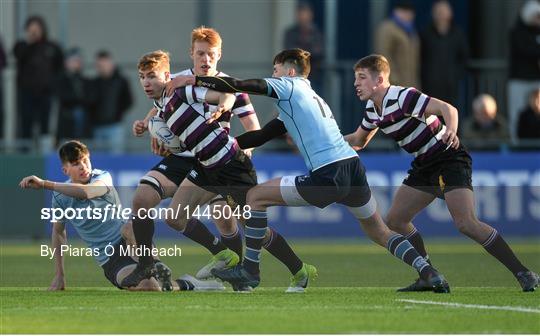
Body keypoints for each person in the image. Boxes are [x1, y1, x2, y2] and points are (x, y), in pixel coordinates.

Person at [172, 48, 450, 293]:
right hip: (352, 168)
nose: (273, 75)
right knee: (379, 231)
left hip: (328, 173)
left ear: (290, 71)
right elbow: (260, 137)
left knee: (256, 197)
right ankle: (429, 271)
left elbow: (240, 85)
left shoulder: (289, 86)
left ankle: (250, 271)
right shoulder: (306, 97)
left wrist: (194, 79)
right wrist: (222, 145)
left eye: (276, 70)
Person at [122, 50, 315, 293]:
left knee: (254, 229)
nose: (146, 82)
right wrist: (149, 127)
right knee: (174, 217)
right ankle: (213, 257)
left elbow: (224, 94)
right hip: (205, 166)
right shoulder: (159, 104)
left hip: (230, 164)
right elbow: (169, 128)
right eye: (142, 77)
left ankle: (300, 270)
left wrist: (222, 105)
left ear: (167, 76)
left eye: (151, 76)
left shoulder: (182, 91)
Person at [345, 54, 539, 292]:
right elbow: (358, 140)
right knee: (396, 220)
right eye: (356, 78)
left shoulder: (402, 96)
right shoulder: (372, 110)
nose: (356, 83)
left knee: (466, 223)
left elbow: (449, 109)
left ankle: (523, 272)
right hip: (424, 165)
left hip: (448, 158)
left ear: (380, 79)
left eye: (362, 77)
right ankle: (428, 274)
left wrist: (452, 130)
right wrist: (322, 143)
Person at [131, 27, 262, 279]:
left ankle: (237, 273)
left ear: (219, 54)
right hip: (180, 157)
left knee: (224, 217)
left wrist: (240, 155)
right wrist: (148, 128)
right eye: (200, 53)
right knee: (142, 199)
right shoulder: (175, 81)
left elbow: (253, 130)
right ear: (191, 53)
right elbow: (158, 109)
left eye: (211, 54)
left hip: (214, 160)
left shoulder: (232, 87)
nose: (206, 59)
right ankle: (147, 265)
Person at [19, 140, 222, 291]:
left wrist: (44, 183)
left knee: (132, 225)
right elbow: (58, 233)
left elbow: (87, 192)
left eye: (85, 160)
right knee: (151, 288)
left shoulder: (102, 177)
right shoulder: (60, 197)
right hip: (109, 259)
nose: (83, 166)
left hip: (128, 240)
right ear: (65, 169)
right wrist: (60, 274)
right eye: (76, 164)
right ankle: (188, 283)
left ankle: (155, 264)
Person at [13, 16, 63, 141]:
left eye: (37, 29)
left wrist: (53, 84)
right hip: (26, 92)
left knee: (45, 123)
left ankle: (44, 150)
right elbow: (19, 56)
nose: (34, 32)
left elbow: (59, 66)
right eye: (31, 29)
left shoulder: (52, 47)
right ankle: (25, 151)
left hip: (46, 92)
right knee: (26, 121)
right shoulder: (21, 46)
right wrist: (30, 42)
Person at [420, 0, 468, 108]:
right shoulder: (425, 34)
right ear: (433, 14)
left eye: (444, 11)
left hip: (451, 85)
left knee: (451, 113)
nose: (441, 14)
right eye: (438, 12)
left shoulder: (458, 34)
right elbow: (420, 57)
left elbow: (464, 57)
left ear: (450, 14)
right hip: (430, 85)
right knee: (431, 116)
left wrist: (456, 74)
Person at [508, 0, 540, 141]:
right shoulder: (517, 32)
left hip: (536, 80)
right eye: (536, 16)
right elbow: (525, 50)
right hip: (519, 80)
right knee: (517, 113)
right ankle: (516, 144)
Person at [89, 50, 132, 153]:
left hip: (115, 126)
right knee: (98, 158)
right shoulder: (94, 83)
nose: (103, 67)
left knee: (115, 157)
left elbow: (128, 101)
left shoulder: (121, 81)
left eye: (105, 64)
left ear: (111, 64)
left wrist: (118, 114)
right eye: (100, 65)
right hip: (97, 126)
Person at [374, 0, 419, 88]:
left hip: (409, 83)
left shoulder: (411, 31)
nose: (407, 14)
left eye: (410, 11)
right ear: (396, 11)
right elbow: (383, 54)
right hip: (393, 84)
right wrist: (393, 79)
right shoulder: (387, 29)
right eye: (403, 11)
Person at [283, 1, 325, 93]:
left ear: (310, 14)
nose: (302, 16)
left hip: (313, 75)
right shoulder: (290, 33)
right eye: (300, 13)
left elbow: (319, 52)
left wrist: (303, 50)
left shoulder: (316, 33)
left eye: (305, 13)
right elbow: (289, 52)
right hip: (294, 76)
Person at [55, 47, 92, 143]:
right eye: (74, 60)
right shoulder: (61, 80)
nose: (77, 63)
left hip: (83, 131)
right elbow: (64, 97)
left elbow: (90, 98)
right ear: (66, 63)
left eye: (79, 60)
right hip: (66, 126)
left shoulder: (85, 81)